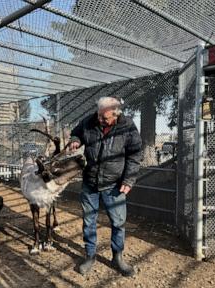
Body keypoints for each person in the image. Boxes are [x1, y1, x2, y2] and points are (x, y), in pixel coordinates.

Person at [69, 96, 142, 277]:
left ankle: (117, 258)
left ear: (116, 114)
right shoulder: (89, 121)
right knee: (89, 221)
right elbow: (76, 132)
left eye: (105, 117)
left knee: (118, 223)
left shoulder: (127, 127)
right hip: (90, 182)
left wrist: (128, 180)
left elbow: (135, 156)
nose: (100, 120)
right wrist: (75, 140)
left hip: (114, 184)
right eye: (99, 115)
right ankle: (90, 256)